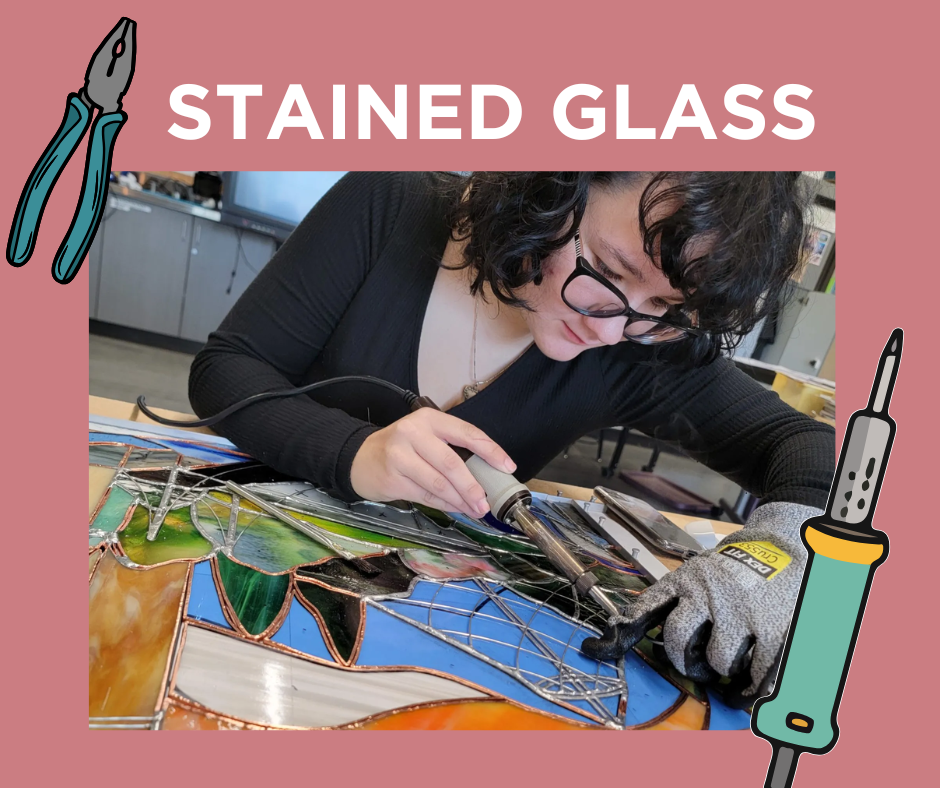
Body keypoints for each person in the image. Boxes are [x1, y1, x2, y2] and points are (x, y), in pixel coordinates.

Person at [189, 171, 835, 708]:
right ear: (551, 183)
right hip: (241, 578)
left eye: (663, 306)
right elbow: (226, 371)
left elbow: (808, 448)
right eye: (609, 269)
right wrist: (356, 453)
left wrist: (773, 556)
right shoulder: (388, 203)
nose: (614, 330)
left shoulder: (634, 345)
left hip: (408, 664)